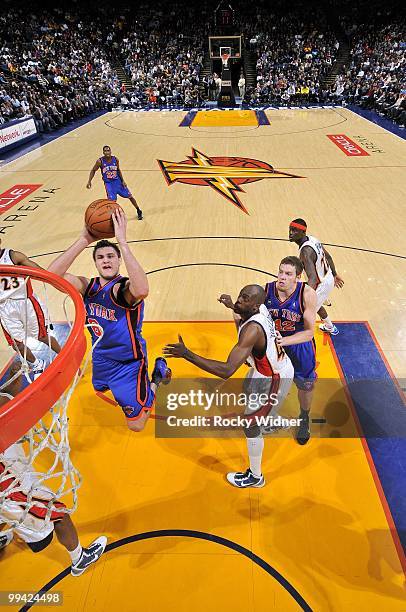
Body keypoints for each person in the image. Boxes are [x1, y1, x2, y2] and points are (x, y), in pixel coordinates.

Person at [48, 209, 170, 432]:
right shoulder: (88, 287)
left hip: (128, 364)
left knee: (136, 424)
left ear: (119, 260)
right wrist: (84, 239)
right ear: (95, 263)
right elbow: (53, 276)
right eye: (100, 257)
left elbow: (142, 289)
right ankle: (132, 387)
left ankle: (156, 377)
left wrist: (122, 242)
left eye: (110, 256)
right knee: (100, 388)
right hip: (102, 359)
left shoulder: (122, 289)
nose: (105, 260)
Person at [164, 285, 294, 488]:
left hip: (273, 378)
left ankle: (255, 476)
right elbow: (245, 311)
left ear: (256, 304)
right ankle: (272, 417)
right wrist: (232, 305)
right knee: (247, 389)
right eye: (241, 296)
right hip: (269, 368)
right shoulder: (260, 309)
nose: (240, 300)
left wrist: (187, 354)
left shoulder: (252, 330)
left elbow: (226, 370)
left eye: (245, 298)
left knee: (250, 426)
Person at [0, 362, 107, 576]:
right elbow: (5, 402)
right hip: (11, 489)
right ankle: (79, 559)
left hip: (9, 478)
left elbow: (5, 402)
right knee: (58, 513)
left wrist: (16, 374)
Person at [264, 257, 317, 445]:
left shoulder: (307, 294)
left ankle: (304, 417)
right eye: (280, 272)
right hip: (276, 344)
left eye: (288, 274)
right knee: (269, 380)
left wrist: (283, 341)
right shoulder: (267, 290)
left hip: (298, 344)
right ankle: (269, 414)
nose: (282, 277)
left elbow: (310, 332)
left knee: (305, 385)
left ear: (298, 277)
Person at [0, 243, 61, 378]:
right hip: (4, 308)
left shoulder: (13, 256)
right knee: (17, 345)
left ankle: (64, 355)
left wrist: (55, 280)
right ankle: (37, 363)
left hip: (25, 302)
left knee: (43, 336)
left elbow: (41, 273)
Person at [289, 219, 344, 335]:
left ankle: (301, 343)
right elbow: (328, 256)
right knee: (317, 305)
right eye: (290, 229)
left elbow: (313, 278)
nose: (291, 233)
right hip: (327, 276)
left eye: (295, 230)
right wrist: (334, 274)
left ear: (303, 232)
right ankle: (330, 326)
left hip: (321, 284)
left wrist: (305, 297)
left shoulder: (305, 251)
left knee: (304, 313)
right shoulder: (313, 239)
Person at [87, 145, 143, 220]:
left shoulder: (115, 159)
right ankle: (113, 217)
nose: (107, 152)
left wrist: (123, 181)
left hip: (118, 182)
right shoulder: (100, 161)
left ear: (110, 151)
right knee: (112, 202)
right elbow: (93, 170)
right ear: (103, 152)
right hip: (109, 184)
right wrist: (89, 181)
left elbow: (118, 170)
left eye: (108, 150)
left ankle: (138, 210)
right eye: (105, 151)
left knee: (130, 196)